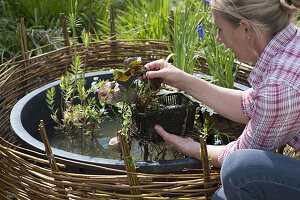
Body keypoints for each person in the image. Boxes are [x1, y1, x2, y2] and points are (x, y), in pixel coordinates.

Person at [144, 0, 300, 199]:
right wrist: (183, 81)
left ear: (245, 28)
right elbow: (250, 105)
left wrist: (190, 148)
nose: (218, 38)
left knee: (240, 172)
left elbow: (242, 155)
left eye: (220, 29)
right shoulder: (291, 48)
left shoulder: (279, 86)